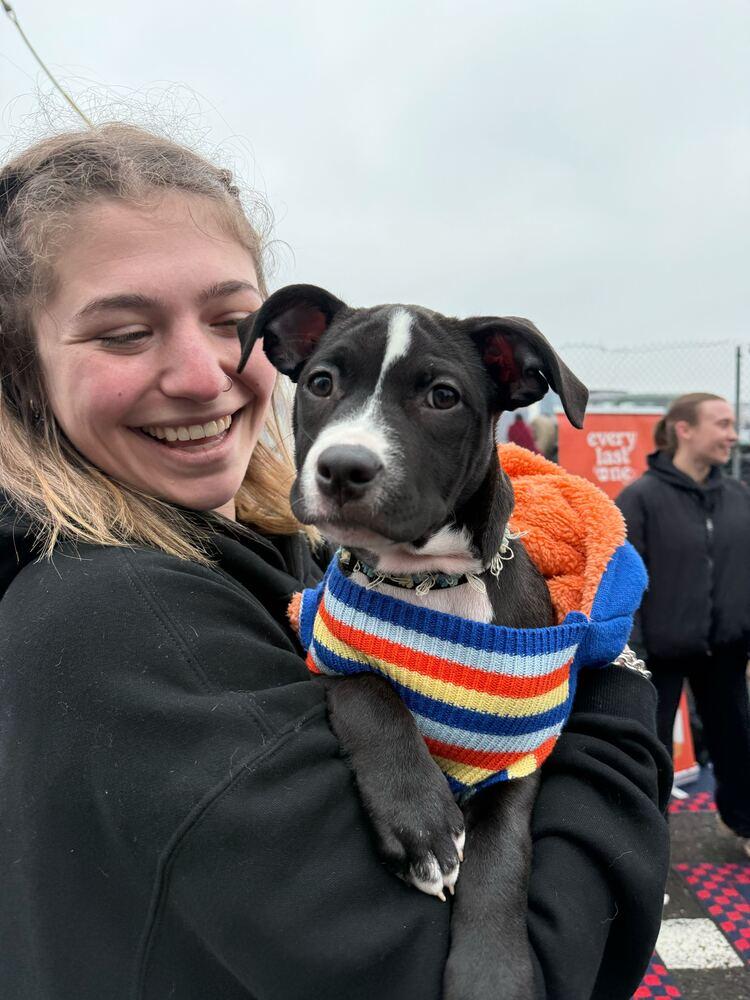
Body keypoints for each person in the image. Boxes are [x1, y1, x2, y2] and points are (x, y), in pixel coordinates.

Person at [0, 124, 670, 1000]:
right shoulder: (117, 621)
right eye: (125, 333)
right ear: (23, 366)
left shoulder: (297, 550)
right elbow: (524, 975)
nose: (206, 376)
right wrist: (616, 670)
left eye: (231, 322)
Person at [617, 393, 750, 857]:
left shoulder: (738, 497)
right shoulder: (640, 498)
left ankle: (744, 824)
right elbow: (625, 579)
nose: (732, 435)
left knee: (738, 743)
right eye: (723, 424)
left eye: (734, 424)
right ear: (684, 430)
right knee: (650, 751)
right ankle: (646, 839)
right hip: (661, 653)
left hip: (727, 651)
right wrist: (631, 651)